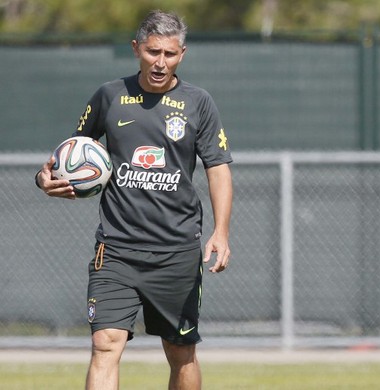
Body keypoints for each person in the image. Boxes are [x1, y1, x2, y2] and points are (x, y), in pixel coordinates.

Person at [34, 10, 233, 390]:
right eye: (152, 51)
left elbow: (218, 168)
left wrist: (221, 232)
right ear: (136, 48)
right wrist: (45, 178)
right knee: (104, 343)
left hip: (176, 250)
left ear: (182, 55)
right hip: (116, 250)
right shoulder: (109, 96)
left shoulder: (199, 103)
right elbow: (70, 154)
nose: (160, 62)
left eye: (170, 54)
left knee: (180, 350)